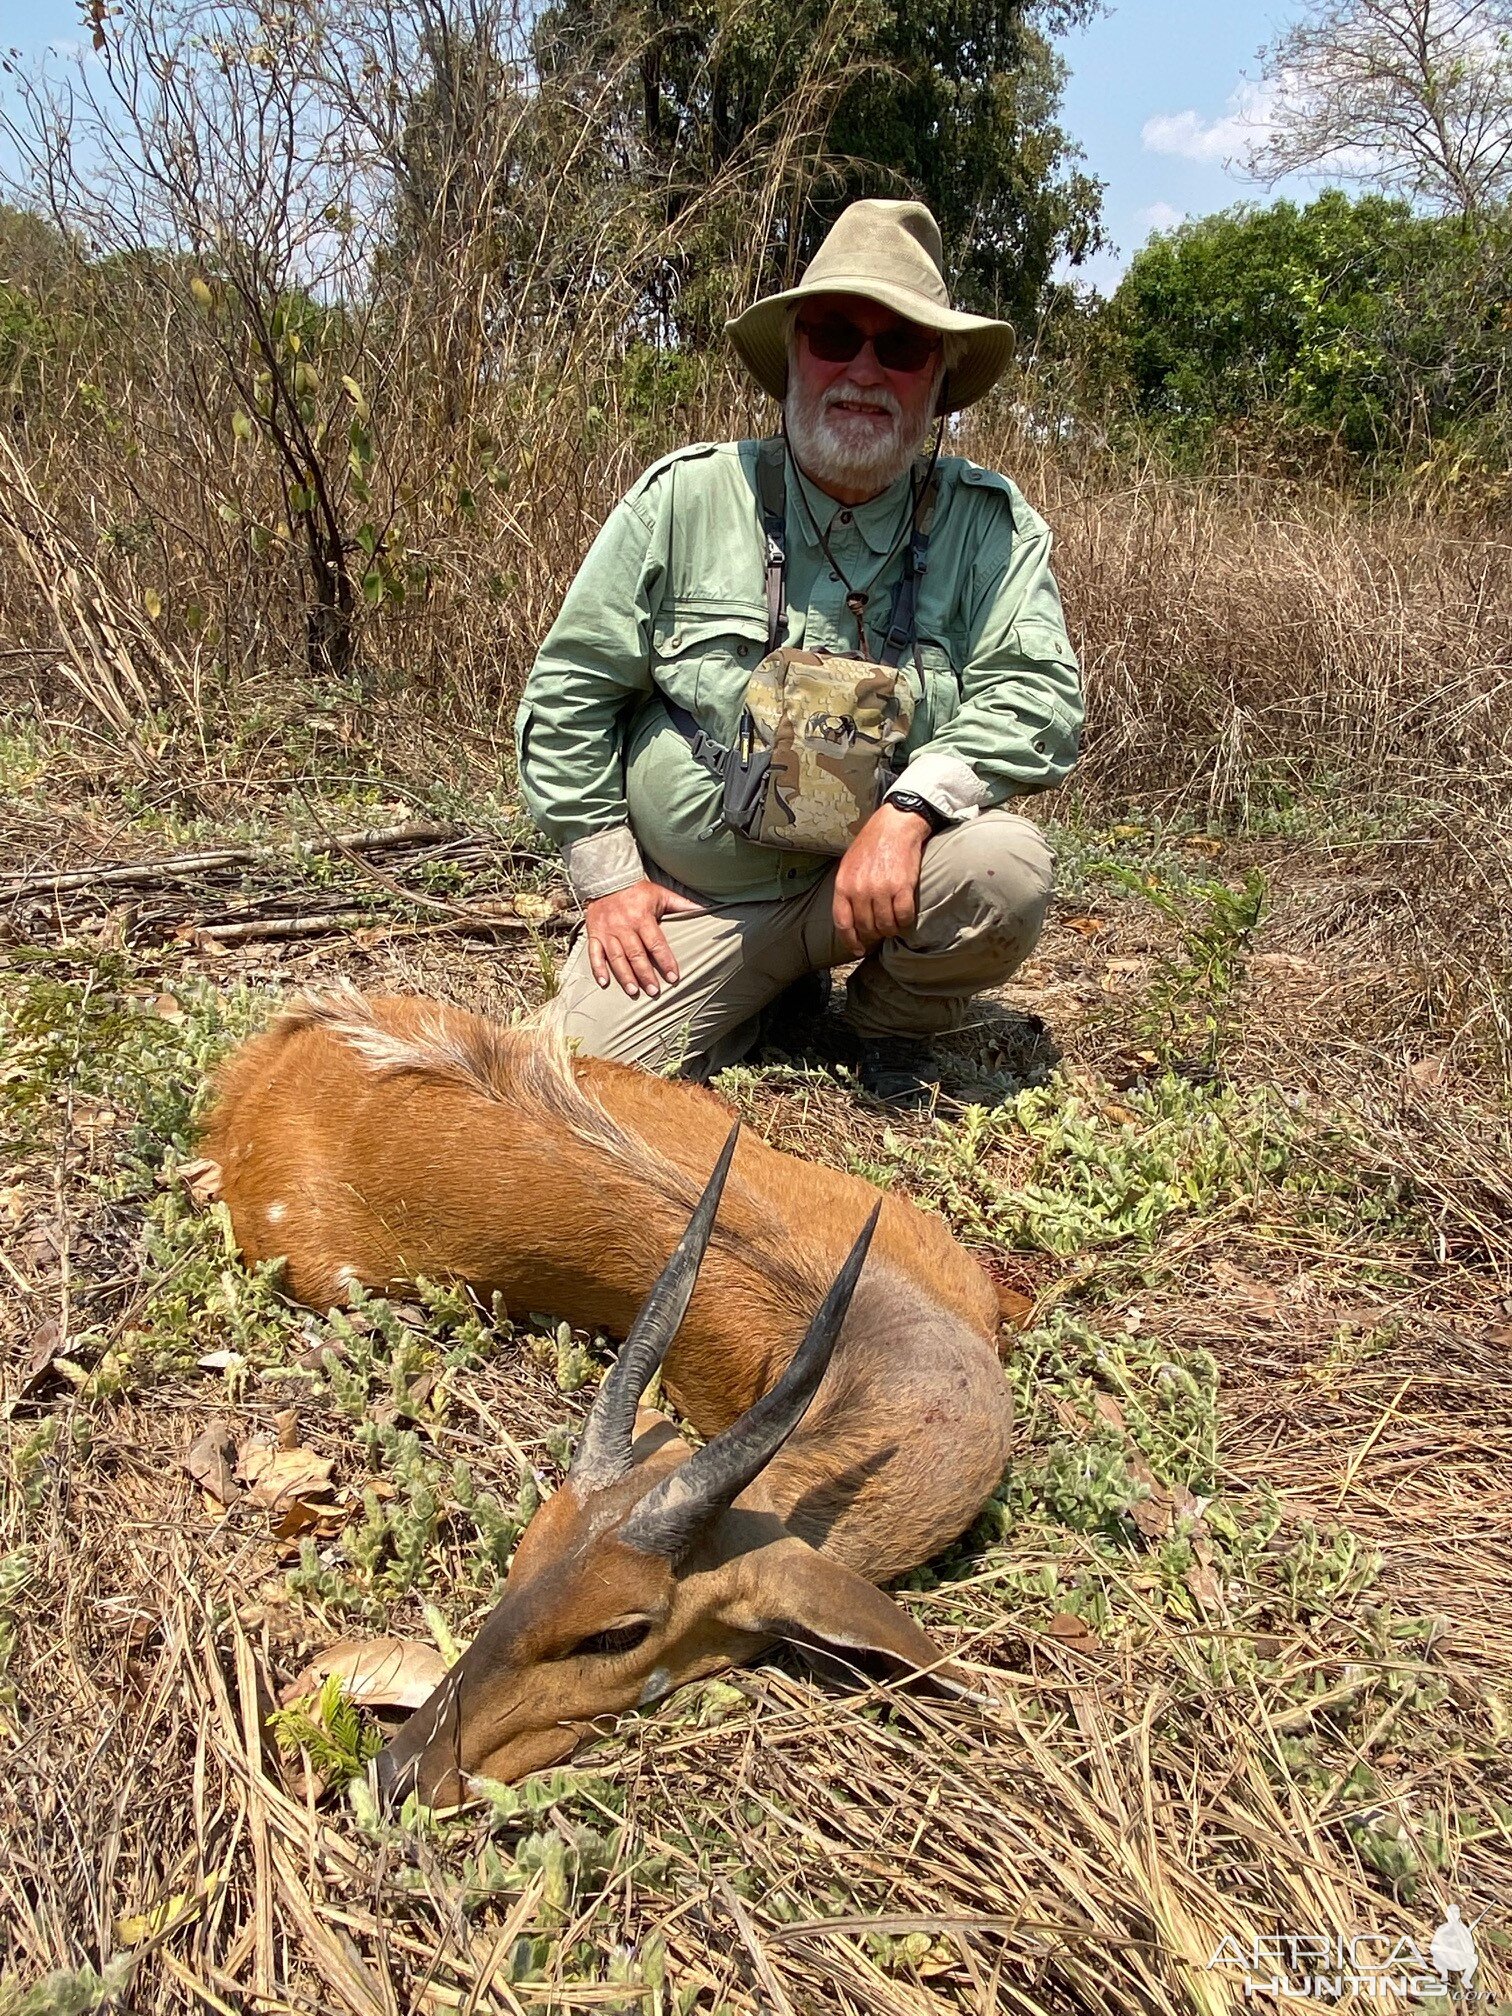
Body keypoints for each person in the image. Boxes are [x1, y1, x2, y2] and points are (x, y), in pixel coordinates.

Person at [516, 198, 1082, 1099]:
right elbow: (570, 689)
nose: (864, 370)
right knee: (577, 1083)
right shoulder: (686, 497)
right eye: (834, 336)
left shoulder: (989, 526)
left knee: (1002, 871)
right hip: (699, 900)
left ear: (936, 378)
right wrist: (609, 879)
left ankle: (883, 1020)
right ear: (793, 355)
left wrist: (908, 815)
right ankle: (765, 996)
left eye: (901, 347)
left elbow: (1040, 696)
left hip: (875, 893)